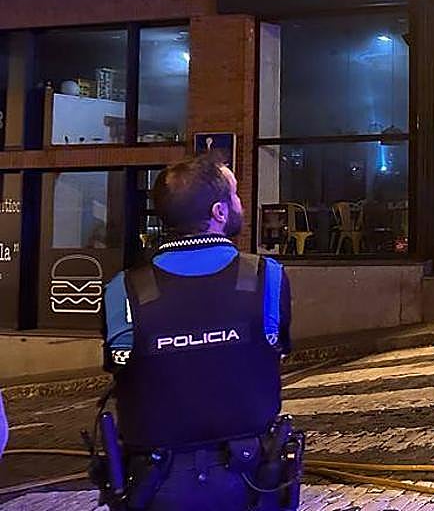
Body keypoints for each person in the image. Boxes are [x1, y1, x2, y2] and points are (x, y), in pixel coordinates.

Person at [98, 155, 298, 510]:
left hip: (156, 484)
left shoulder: (122, 290)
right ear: (220, 213)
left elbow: (121, 365)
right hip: (253, 481)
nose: (240, 204)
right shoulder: (266, 277)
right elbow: (274, 351)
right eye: (235, 196)